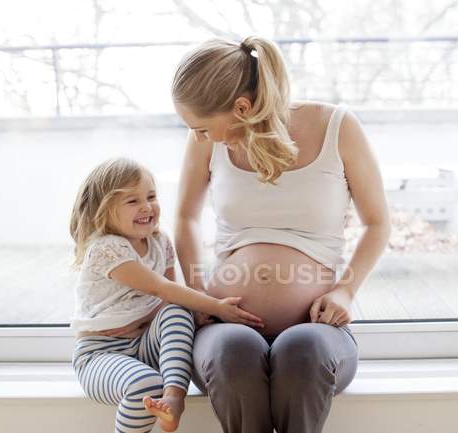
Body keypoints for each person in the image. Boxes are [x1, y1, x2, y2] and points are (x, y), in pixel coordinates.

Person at [172, 36, 391, 433]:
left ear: (241, 107)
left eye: (203, 129)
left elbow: (378, 223)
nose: (199, 137)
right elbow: (186, 216)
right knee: (232, 353)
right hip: (226, 327)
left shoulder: (337, 126)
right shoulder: (205, 142)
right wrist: (199, 294)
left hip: (317, 331)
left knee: (301, 351)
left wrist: (345, 291)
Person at [69, 157, 264, 433]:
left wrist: (197, 314)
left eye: (151, 196)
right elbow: (160, 288)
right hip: (101, 353)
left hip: (147, 345)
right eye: (132, 201)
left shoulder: (160, 242)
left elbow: (171, 299)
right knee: (145, 385)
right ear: (104, 209)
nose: (147, 206)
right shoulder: (107, 248)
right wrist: (218, 307)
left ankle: (174, 395)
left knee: (177, 309)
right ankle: (163, 394)